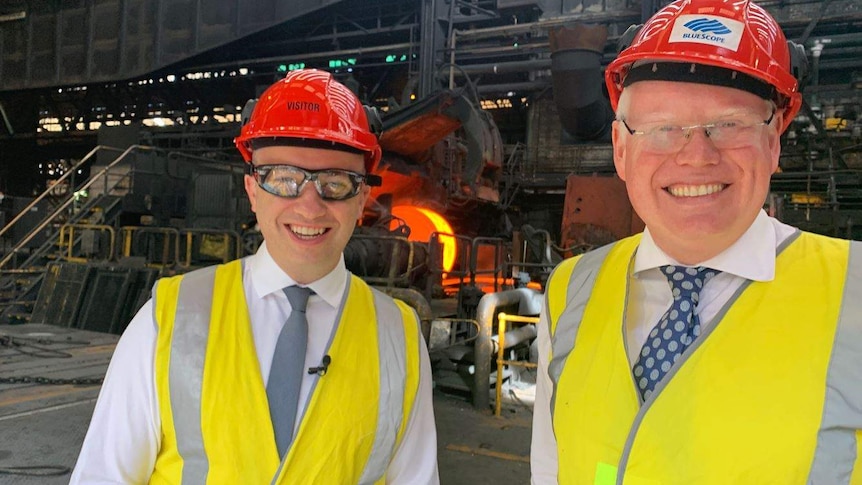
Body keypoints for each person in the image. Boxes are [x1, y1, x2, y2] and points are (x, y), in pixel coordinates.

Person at [530, 1, 861, 483]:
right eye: (663, 128)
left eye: (729, 124)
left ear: (774, 144)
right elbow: (550, 469)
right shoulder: (569, 291)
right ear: (621, 151)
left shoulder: (855, 294)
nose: (696, 156)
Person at [71, 69, 439, 484]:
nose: (309, 205)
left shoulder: (399, 339)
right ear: (252, 189)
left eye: (336, 183)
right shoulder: (168, 320)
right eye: (284, 179)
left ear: (362, 200)